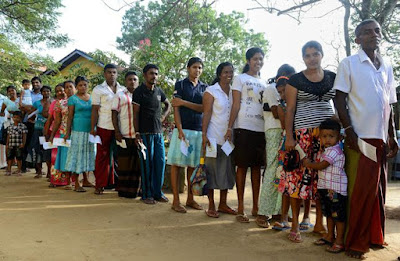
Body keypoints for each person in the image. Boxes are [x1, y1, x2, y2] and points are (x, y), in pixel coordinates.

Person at [333, 19, 398, 259]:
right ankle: (355, 242)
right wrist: (349, 131)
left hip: (381, 137)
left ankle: (374, 235)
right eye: (367, 32)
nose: (374, 35)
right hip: (361, 137)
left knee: (379, 190)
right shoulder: (349, 63)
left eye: (377, 31)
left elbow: (390, 104)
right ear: (358, 38)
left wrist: (392, 135)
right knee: (360, 192)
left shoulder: (387, 65)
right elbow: (339, 99)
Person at [284, 41, 336, 243]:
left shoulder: (333, 77)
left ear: (322, 55)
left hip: (327, 135)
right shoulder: (295, 80)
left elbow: (340, 101)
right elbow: (289, 110)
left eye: (315, 54)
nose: (312, 58)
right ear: (303, 58)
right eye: (308, 55)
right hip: (303, 134)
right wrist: (289, 136)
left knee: (324, 179)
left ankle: (319, 224)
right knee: (298, 178)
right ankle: (295, 225)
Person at [225, 47, 267, 223]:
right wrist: (229, 128)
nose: (258, 62)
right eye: (255, 59)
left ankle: (256, 206)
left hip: (260, 129)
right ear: (248, 61)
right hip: (243, 127)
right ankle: (241, 206)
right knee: (241, 167)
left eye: (261, 59)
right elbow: (235, 104)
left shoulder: (265, 83)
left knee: (256, 168)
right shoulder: (239, 79)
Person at [256, 64, 296, 228]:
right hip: (275, 130)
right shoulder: (272, 88)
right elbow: (275, 112)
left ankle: (280, 212)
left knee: (284, 170)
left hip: (286, 131)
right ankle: (263, 212)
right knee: (273, 168)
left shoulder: (289, 89)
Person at [167, 57, 207, 213]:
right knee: (176, 165)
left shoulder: (205, 87)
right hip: (182, 131)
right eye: (194, 67)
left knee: (193, 165)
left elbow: (203, 108)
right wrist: (180, 128)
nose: (197, 70)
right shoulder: (181, 84)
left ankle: (190, 199)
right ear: (188, 68)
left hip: (198, 130)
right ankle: (176, 200)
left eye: (200, 67)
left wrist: (183, 102)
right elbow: (175, 108)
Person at [303, 119, 347, 253]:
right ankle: (329, 236)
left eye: (331, 136)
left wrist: (308, 164)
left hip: (335, 190)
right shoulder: (327, 149)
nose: (327, 139)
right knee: (328, 213)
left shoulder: (335, 150)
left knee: (338, 216)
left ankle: (339, 241)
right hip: (326, 188)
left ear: (338, 137)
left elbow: (323, 165)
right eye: (324, 136)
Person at [202, 62, 237, 218]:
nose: (228, 75)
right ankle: (211, 205)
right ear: (219, 74)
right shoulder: (211, 91)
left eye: (231, 72)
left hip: (229, 138)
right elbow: (207, 113)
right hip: (213, 136)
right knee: (211, 171)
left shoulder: (234, 91)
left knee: (227, 171)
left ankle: (223, 204)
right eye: (225, 72)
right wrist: (204, 134)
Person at [133, 64, 171, 204]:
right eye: (151, 73)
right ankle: (147, 194)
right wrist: (137, 134)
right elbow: (135, 115)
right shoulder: (139, 92)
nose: (154, 76)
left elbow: (168, 105)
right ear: (145, 75)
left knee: (159, 163)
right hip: (144, 134)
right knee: (146, 165)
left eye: (156, 73)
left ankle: (157, 193)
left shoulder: (159, 92)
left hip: (158, 134)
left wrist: (163, 117)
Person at [91, 63, 126, 194]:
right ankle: (99, 185)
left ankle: (117, 184)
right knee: (102, 156)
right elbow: (94, 110)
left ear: (117, 74)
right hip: (103, 126)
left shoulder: (123, 89)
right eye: (109, 72)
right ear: (104, 74)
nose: (112, 74)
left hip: (120, 127)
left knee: (119, 156)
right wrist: (93, 127)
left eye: (114, 72)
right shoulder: (98, 89)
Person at [111, 71, 141, 198]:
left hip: (139, 136)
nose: (132, 82)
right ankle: (124, 190)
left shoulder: (142, 95)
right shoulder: (119, 95)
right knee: (124, 164)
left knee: (137, 165)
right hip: (124, 134)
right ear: (125, 81)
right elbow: (114, 114)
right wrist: (117, 131)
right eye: (129, 79)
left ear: (138, 81)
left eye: (134, 79)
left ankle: (135, 191)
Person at [64, 76, 95, 193]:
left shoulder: (92, 98)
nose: (83, 87)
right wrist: (68, 133)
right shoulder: (72, 99)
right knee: (77, 156)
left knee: (88, 155)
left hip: (90, 131)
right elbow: (70, 117)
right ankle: (76, 183)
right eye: (80, 85)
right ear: (76, 87)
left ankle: (86, 180)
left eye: (85, 85)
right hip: (77, 131)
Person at [26, 85, 52, 179]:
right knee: (37, 149)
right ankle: (39, 171)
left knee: (48, 150)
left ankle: (49, 172)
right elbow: (31, 115)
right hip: (38, 128)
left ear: (50, 92)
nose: (46, 93)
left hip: (49, 129)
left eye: (48, 91)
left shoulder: (53, 102)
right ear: (41, 93)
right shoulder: (37, 103)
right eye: (44, 91)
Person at [45, 84, 66, 187]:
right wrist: (47, 133)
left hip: (66, 132)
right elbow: (50, 119)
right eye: (57, 91)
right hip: (56, 132)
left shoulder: (70, 102)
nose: (59, 93)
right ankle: (55, 180)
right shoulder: (54, 103)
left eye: (61, 90)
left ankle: (67, 180)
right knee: (55, 156)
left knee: (65, 156)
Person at [20, 76, 43, 173]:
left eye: (37, 82)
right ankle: (23, 167)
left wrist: (30, 109)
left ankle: (39, 169)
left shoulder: (43, 95)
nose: (35, 84)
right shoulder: (27, 93)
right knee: (26, 144)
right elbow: (21, 106)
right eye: (33, 83)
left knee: (39, 146)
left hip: (39, 123)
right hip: (27, 122)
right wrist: (29, 110)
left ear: (40, 83)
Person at [5, 111, 27, 176]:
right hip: (11, 144)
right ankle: (9, 170)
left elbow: (24, 135)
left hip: (18, 144)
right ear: (12, 118)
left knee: (19, 158)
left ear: (20, 118)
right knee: (9, 158)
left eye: (17, 118)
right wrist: (7, 144)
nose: (16, 119)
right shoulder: (10, 126)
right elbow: (8, 135)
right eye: (14, 117)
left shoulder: (23, 126)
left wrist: (23, 143)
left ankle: (19, 170)